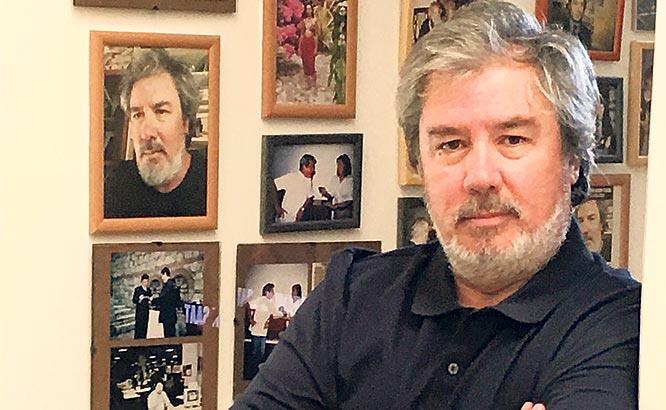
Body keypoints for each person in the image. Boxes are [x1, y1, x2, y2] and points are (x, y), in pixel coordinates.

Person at [234, 1, 640, 409]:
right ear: (419, 163)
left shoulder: (624, 324)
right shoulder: (351, 297)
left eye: (512, 139)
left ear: (573, 158)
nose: (480, 176)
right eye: (451, 144)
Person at [104, 48, 207, 219]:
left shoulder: (212, 183)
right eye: (137, 115)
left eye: (161, 112)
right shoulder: (116, 187)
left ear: (185, 122)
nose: (146, 134)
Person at [247, 283, 281, 377]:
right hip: (255, 330)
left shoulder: (270, 304)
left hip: (263, 332)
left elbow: (276, 314)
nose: (273, 294)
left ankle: (258, 373)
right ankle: (252, 373)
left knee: (261, 353)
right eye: (272, 292)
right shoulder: (259, 300)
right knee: (255, 352)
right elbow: (248, 305)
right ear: (267, 292)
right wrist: (251, 319)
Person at [273, 154, 318, 223]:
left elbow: (309, 197)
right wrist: (277, 207)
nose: (313, 170)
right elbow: (272, 184)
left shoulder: (308, 180)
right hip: (285, 219)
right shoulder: (292, 177)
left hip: (298, 220)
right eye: (311, 167)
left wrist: (302, 209)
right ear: (304, 166)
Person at [318, 154, 354, 219]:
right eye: (337, 165)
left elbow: (350, 201)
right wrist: (325, 193)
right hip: (337, 213)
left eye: (340, 165)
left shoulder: (350, 181)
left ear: (346, 166)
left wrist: (337, 206)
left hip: (346, 212)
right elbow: (330, 196)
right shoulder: (334, 179)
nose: (338, 167)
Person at [156, 267, 181, 338]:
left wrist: (153, 300)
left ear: (165, 274)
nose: (162, 278)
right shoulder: (173, 285)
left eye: (162, 276)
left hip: (167, 313)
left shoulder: (168, 286)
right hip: (171, 313)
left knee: (168, 333)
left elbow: (163, 298)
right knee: (171, 333)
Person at [132, 273, 152, 339]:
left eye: (146, 282)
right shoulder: (138, 289)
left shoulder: (149, 290)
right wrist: (139, 299)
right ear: (141, 282)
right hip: (139, 312)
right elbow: (134, 300)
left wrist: (150, 300)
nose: (145, 283)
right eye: (144, 282)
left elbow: (150, 300)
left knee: (145, 327)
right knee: (138, 328)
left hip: (146, 311)